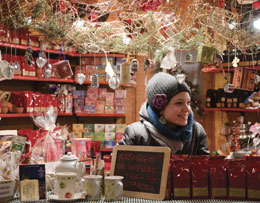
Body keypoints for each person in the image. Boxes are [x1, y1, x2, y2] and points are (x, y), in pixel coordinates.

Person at [118, 72, 209, 155]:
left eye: (188, 103)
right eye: (179, 103)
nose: (187, 109)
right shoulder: (136, 134)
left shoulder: (197, 131)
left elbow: (205, 168)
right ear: (160, 108)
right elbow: (122, 169)